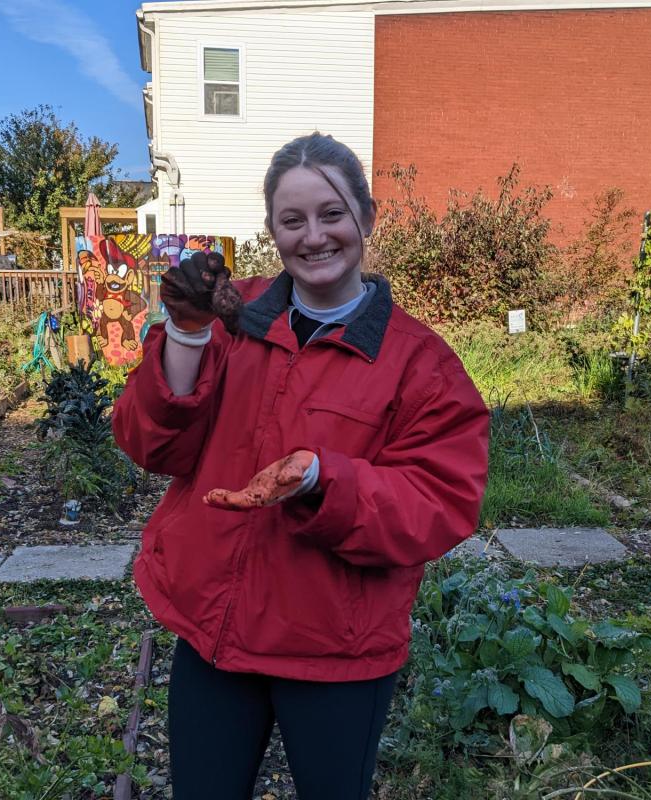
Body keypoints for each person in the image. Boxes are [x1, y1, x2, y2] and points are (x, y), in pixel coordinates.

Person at [112, 132, 489, 800]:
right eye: (292, 220)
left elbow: (441, 502)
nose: (314, 236)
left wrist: (322, 478)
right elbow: (150, 445)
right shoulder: (232, 315)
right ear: (274, 232)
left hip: (335, 649)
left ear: (367, 219)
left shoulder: (421, 364)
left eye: (332, 214)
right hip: (214, 629)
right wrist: (189, 334)